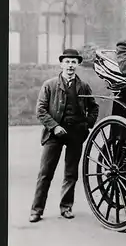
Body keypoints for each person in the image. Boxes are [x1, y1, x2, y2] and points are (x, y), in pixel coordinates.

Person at [29, 49, 99, 223]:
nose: (70, 65)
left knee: (71, 173)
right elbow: (41, 110)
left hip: (76, 134)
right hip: (54, 134)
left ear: (77, 65)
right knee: (45, 173)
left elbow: (94, 107)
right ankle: (36, 210)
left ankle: (66, 207)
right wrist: (54, 127)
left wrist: (86, 125)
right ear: (61, 64)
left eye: (73, 62)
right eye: (67, 62)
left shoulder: (83, 86)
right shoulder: (50, 85)